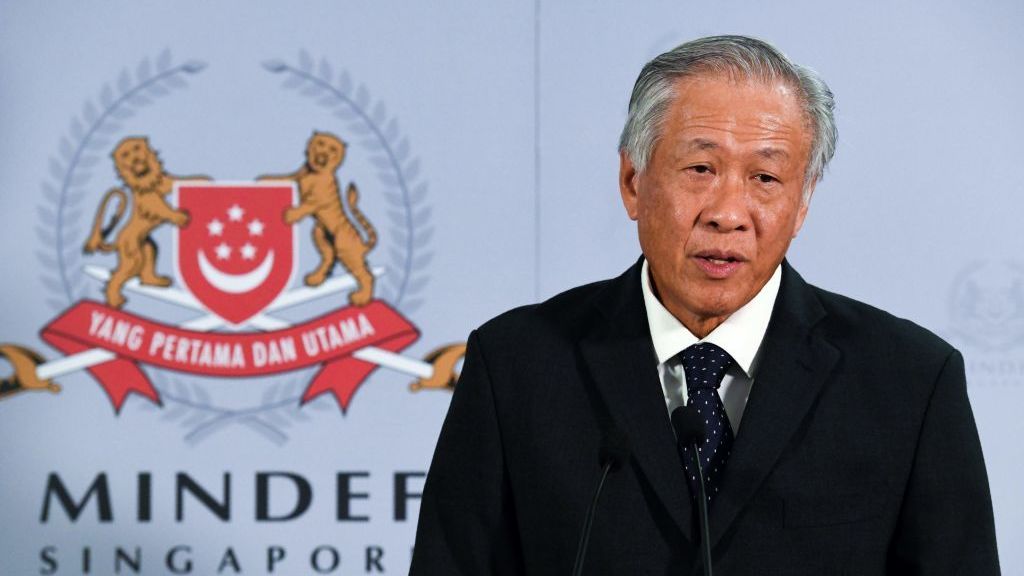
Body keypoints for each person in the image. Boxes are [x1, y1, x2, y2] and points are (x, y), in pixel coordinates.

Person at [409, 35, 1000, 575]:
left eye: (765, 178)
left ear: (803, 203)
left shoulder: (909, 381)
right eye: (699, 168)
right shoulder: (517, 365)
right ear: (633, 182)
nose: (727, 212)